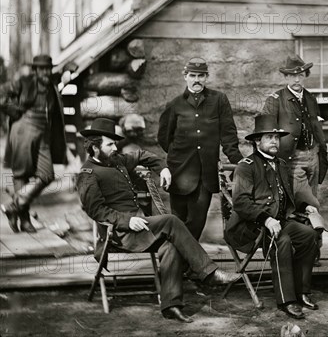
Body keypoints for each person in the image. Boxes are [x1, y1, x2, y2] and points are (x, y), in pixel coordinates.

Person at [77, 118, 240, 323]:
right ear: (94, 147)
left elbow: (142, 155)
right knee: (171, 220)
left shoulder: (117, 160)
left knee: (171, 245)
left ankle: (171, 306)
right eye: (109, 144)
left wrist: (162, 168)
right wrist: (126, 221)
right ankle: (208, 272)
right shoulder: (88, 174)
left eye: (115, 143)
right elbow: (96, 211)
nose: (115, 147)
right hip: (119, 234)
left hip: (140, 229)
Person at [225, 114, 323, 320]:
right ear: (257, 141)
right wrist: (266, 220)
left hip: (279, 222)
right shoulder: (246, 166)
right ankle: (286, 300)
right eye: (269, 137)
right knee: (282, 241)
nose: (274, 141)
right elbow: (241, 202)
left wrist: (305, 207)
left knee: (309, 234)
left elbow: (287, 197)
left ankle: (302, 291)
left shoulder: (281, 164)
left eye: (276, 138)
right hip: (250, 226)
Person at [158, 58, 243, 240]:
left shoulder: (219, 100)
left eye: (201, 76)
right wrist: (179, 155)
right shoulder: (175, 105)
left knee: (196, 222)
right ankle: (182, 265)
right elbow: (164, 138)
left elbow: (228, 134)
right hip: (179, 173)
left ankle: (184, 262)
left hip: (206, 174)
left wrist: (239, 161)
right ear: (185, 77)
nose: (197, 80)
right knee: (178, 221)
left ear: (207, 77)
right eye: (192, 76)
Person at [261, 54, 327, 264]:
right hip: (292, 158)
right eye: (291, 75)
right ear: (285, 77)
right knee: (302, 201)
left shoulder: (310, 98)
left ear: (304, 75)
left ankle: (314, 250)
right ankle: (301, 249)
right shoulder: (275, 100)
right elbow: (265, 131)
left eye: (299, 74)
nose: (296, 80)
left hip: (313, 154)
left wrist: (319, 150)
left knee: (313, 202)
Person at [0, 54, 73, 233]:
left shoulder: (52, 86)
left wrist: (70, 70)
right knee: (21, 175)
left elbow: (69, 70)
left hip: (43, 134)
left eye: (48, 69)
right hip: (23, 129)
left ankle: (13, 206)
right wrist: (14, 112)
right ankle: (25, 221)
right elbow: (2, 94)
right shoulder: (23, 82)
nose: (45, 72)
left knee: (47, 175)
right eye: (42, 69)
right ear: (36, 70)